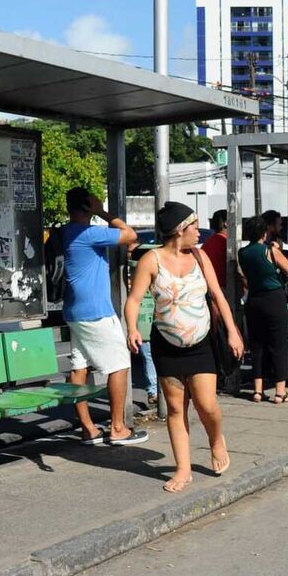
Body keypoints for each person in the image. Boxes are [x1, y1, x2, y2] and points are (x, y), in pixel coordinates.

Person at [125, 202, 244, 493]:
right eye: (194, 226)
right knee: (176, 409)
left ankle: (216, 440)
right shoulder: (151, 260)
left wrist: (233, 332)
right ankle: (183, 468)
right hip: (166, 345)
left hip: (201, 344)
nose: (199, 232)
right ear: (180, 229)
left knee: (207, 405)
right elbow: (134, 299)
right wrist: (131, 328)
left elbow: (217, 295)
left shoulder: (201, 257)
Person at [61, 188, 148, 446]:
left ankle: (89, 429)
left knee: (80, 367)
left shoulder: (67, 232)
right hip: (96, 312)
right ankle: (118, 428)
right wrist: (102, 212)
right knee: (119, 364)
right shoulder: (89, 233)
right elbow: (131, 235)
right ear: (87, 205)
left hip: (74, 311)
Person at [239, 215, 288, 404]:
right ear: (264, 233)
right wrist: (277, 251)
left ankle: (257, 390)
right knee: (279, 345)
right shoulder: (269, 251)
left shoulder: (243, 252)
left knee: (257, 345)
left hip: (254, 299)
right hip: (274, 299)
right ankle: (280, 392)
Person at [127, 240, 161, 410]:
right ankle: (154, 391)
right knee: (149, 357)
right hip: (147, 326)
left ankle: (154, 391)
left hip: (147, 325)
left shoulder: (133, 274)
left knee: (150, 357)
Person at [201, 209, 228, 290]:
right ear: (225, 223)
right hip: (226, 288)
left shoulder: (206, 243)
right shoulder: (227, 243)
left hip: (210, 287)